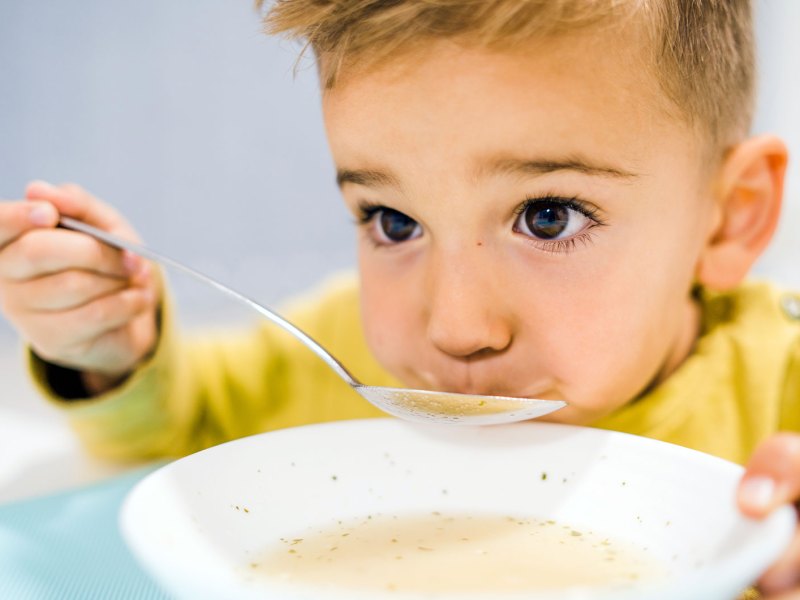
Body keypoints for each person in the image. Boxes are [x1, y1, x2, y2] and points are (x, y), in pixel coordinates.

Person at [1, 0, 799, 594]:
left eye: (548, 219)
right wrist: (110, 352)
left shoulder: (782, 388)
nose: (456, 329)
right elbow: (189, 430)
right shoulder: (337, 343)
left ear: (731, 218)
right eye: (394, 221)